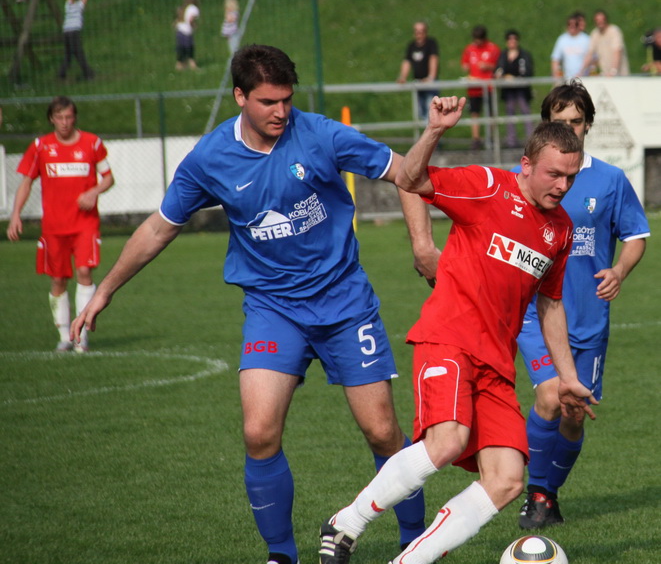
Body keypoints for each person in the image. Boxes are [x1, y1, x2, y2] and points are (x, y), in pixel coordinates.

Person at [71, 44, 438, 564]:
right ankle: (281, 555)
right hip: (273, 309)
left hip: (344, 302)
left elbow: (408, 174)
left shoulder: (321, 134)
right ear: (240, 96)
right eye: (268, 101)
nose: (281, 112)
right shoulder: (211, 158)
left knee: (381, 431)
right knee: (258, 432)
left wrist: (422, 246)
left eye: (287, 99)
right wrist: (106, 289)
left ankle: (416, 540)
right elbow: (159, 227)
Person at [318, 96, 598, 564]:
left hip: (496, 362)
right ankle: (347, 522)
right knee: (447, 441)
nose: (562, 186)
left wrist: (566, 376)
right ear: (526, 164)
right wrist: (434, 131)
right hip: (448, 338)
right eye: (554, 174)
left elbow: (550, 303)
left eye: (571, 177)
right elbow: (410, 180)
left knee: (507, 478)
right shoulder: (487, 186)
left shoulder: (561, 229)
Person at [515, 80, 649, 529]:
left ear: (588, 124)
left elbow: (635, 235)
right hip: (536, 314)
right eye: (560, 121)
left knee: (573, 416)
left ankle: (546, 495)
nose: (569, 128)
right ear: (545, 125)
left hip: (588, 320)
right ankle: (534, 494)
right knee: (551, 395)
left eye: (576, 121)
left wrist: (619, 271)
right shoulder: (528, 177)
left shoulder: (610, 180)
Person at [7, 96, 114, 353]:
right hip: (54, 227)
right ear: (51, 119)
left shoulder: (92, 143)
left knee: (84, 272)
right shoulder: (41, 147)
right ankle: (65, 336)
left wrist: (94, 191)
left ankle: (81, 337)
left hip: (85, 223)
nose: (64, 122)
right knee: (58, 279)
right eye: (59, 117)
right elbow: (26, 182)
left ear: (74, 118)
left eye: (68, 117)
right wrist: (15, 214)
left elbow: (108, 178)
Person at [461, 25, 500, 149]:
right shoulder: (469, 49)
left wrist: (488, 66)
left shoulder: (493, 48)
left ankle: (491, 138)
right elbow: (464, 64)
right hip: (474, 88)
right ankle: (476, 139)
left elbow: (499, 66)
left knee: (490, 113)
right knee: (474, 113)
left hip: (488, 87)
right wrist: (466, 68)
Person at [495, 29, 534, 148]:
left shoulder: (524, 55)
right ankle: (511, 140)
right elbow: (498, 69)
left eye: (514, 39)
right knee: (510, 112)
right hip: (508, 90)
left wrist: (516, 78)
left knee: (525, 110)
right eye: (509, 39)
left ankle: (531, 139)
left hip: (521, 89)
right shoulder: (503, 55)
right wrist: (500, 75)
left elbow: (528, 71)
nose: (512, 42)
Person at [396, 21, 439, 120]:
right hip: (418, 82)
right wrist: (402, 77)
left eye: (421, 31)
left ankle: (432, 129)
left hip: (429, 83)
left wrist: (430, 77)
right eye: (416, 31)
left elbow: (433, 59)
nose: (419, 34)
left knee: (431, 109)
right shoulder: (412, 46)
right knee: (420, 111)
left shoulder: (430, 43)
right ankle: (425, 129)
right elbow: (407, 62)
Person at [57, 0, 95, 81]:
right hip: (74, 31)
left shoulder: (68, 6)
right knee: (79, 53)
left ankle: (61, 73)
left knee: (68, 55)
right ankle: (88, 73)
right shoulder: (79, 6)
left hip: (66, 32)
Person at [580, 10, 630, 77]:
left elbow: (617, 51)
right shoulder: (595, 34)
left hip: (620, 75)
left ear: (606, 20)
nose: (600, 22)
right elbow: (590, 54)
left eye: (602, 19)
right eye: (597, 20)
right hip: (606, 75)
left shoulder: (614, 31)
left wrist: (613, 71)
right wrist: (581, 72)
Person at [550, 14, 591, 80]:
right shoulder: (562, 39)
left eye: (575, 24)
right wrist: (555, 74)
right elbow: (555, 59)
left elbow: (591, 57)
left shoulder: (586, 39)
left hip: (584, 78)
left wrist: (582, 72)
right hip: (567, 79)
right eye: (570, 24)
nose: (572, 27)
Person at [175, 0, 200, 70]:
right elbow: (191, 19)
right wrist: (194, 25)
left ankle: (179, 64)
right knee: (190, 48)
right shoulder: (194, 9)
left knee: (181, 48)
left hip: (180, 30)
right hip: (186, 31)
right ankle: (192, 65)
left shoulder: (184, 7)